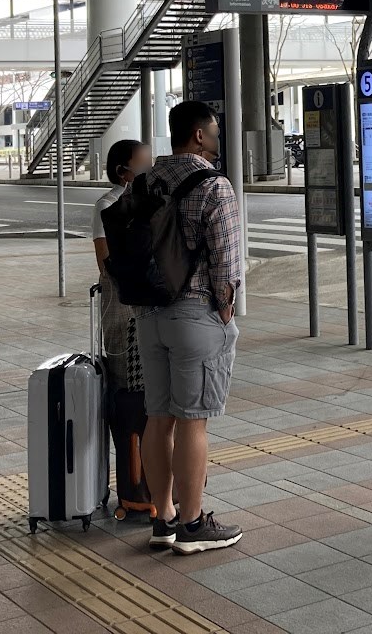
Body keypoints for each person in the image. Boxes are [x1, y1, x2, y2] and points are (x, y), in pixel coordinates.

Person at [134, 102, 244, 554]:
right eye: (215, 133)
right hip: (195, 314)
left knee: (158, 419)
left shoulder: (145, 181)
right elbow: (228, 261)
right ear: (198, 136)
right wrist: (225, 310)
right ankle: (194, 524)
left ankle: (163, 519)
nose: (218, 142)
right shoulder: (214, 185)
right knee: (193, 421)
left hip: (148, 316)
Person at [94, 138, 156, 520]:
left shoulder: (149, 201)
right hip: (124, 316)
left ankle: (159, 489)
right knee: (132, 403)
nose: (150, 167)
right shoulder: (108, 205)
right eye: (143, 162)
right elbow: (107, 264)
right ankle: (136, 491)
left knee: (155, 407)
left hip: (149, 313)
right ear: (123, 170)